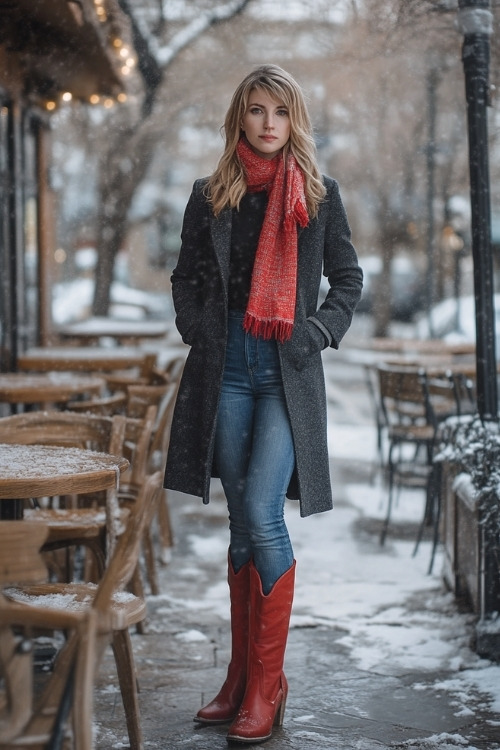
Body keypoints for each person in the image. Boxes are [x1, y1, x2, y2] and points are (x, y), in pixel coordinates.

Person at [163, 63, 363, 745]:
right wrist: (199, 328)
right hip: (228, 373)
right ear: (240, 117)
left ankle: (268, 686)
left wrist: (317, 331)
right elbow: (185, 277)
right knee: (240, 527)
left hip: (285, 375)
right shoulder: (210, 195)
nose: (268, 123)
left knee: (260, 513)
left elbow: (348, 279)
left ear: (293, 117)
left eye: (280, 111)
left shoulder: (318, 195)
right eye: (256, 110)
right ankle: (242, 681)